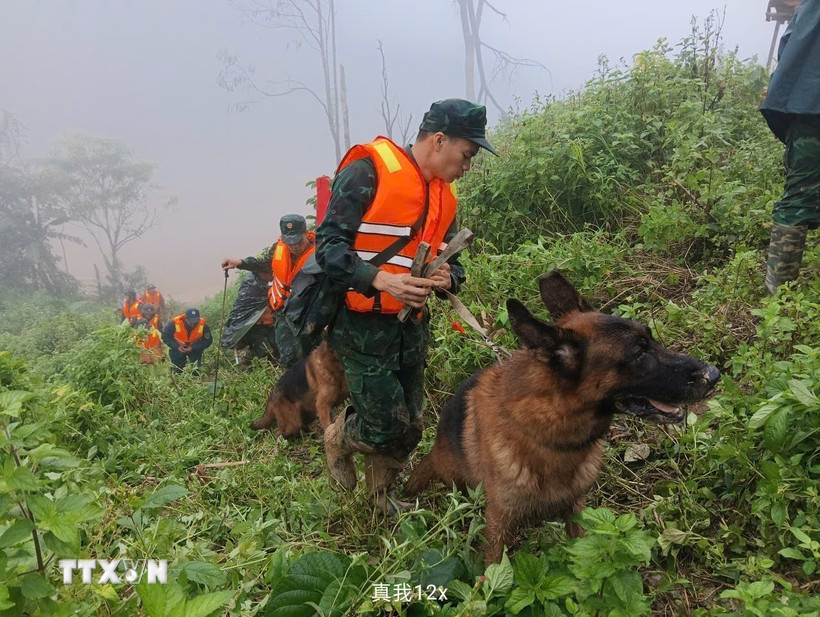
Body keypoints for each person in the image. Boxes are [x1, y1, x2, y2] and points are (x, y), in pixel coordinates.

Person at [317, 98, 497, 512]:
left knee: (411, 426)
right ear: (438, 140)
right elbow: (327, 248)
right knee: (384, 425)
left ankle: (381, 498)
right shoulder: (368, 171)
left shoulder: (444, 199)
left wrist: (448, 276)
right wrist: (380, 280)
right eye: (467, 154)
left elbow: (454, 262)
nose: (468, 166)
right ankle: (337, 438)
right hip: (361, 326)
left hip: (411, 326)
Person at [760, 0, 820, 294]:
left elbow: (788, 51)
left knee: (796, 201)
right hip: (809, 108)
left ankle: (778, 297)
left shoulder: (809, 9)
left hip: (808, 110)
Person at [221, 214, 316, 368]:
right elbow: (265, 264)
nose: (294, 246)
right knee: (288, 356)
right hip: (284, 311)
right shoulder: (278, 248)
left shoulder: (320, 251)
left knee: (311, 355)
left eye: (298, 241)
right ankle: (293, 388)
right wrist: (239, 263)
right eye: (289, 242)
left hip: (308, 312)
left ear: (306, 233)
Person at [161, 308, 212, 374]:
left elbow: (208, 341)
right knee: (177, 371)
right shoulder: (174, 323)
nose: (193, 324)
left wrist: (193, 347)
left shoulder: (203, 325)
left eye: (196, 322)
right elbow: (165, 336)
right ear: (186, 319)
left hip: (195, 349)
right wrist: (177, 346)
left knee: (195, 371)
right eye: (191, 322)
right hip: (177, 349)